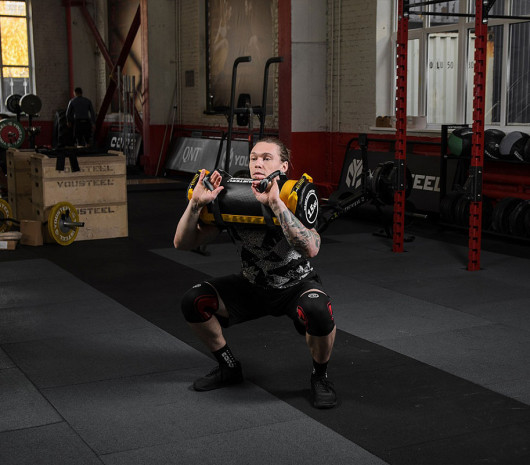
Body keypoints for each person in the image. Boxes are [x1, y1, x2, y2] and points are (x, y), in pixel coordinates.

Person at [174, 137, 337, 409]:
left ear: (283, 166)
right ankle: (228, 367)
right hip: (252, 286)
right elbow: (182, 243)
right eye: (253, 158)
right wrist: (196, 205)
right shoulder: (234, 198)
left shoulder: (294, 197)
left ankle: (320, 377)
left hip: (295, 286)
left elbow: (311, 248)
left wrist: (276, 205)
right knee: (194, 301)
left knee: (318, 310)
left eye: (266, 158)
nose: (257, 163)